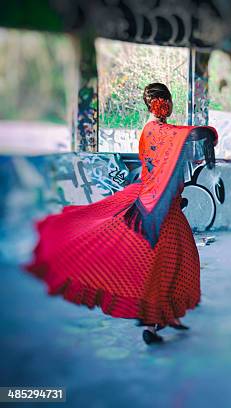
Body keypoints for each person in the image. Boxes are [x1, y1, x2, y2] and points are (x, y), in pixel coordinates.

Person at [25, 83, 218, 345]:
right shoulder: (157, 129)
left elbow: (167, 161)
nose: (168, 107)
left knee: (183, 262)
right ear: (159, 103)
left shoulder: (154, 130)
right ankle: (151, 324)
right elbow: (179, 137)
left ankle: (167, 316)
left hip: (166, 206)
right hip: (160, 211)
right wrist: (203, 133)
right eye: (167, 101)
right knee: (164, 265)